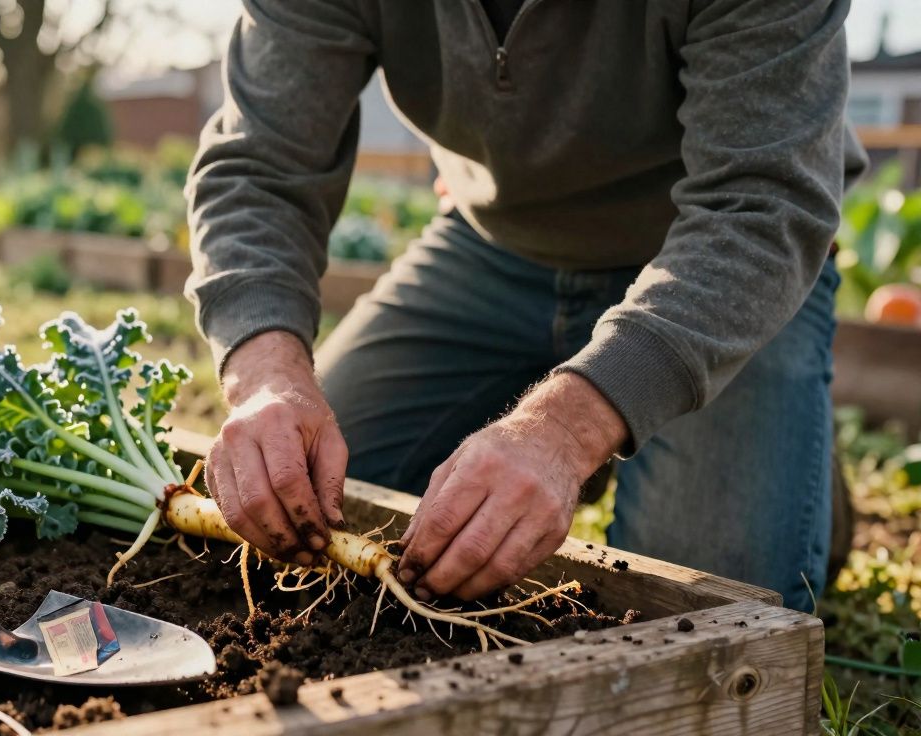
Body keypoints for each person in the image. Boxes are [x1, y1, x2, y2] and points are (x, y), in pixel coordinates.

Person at [185, 0, 867, 613]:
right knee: (313, 498)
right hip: (493, 250)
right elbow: (258, 167)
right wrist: (266, 375)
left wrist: (565, 433)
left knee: (710, 600)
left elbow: (762, 206)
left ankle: (794, 465)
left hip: (716, 266)